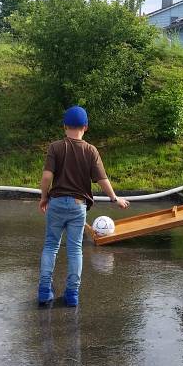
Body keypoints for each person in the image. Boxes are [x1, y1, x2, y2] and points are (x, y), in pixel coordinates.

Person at [37, 105, 129, 307]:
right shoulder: (90, 150)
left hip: (57, 203)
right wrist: (115, 199)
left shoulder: (55, 147)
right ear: (85, 127)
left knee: (51, 246)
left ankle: (44, 291)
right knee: (75, 249)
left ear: (64, 126)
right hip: (78, 206)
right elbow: (102, 179)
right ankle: (72, 294)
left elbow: (46, 177)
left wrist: (44, 197)